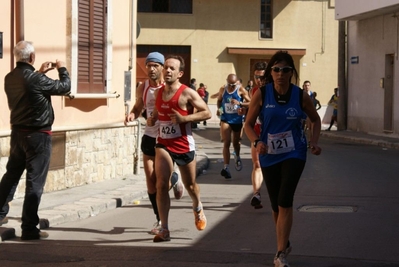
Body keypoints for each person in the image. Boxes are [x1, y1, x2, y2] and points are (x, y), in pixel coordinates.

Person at [244, 50, 322, 267]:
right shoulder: (261, 93)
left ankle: (280, 254)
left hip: (294, 152)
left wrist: (314, 142)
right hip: (269, 153)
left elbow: (315, 120)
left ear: (291, 73)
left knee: (285, 200)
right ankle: (283, 240)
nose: (280, 73)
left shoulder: (300, 95)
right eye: (276, 69)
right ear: (271, 72)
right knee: (277, 206)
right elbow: (248, 125)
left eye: (285, 69)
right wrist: (257, 141)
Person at [0, 40, 71, 240]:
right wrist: (62, 68)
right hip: (38, 135)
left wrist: (39, 72)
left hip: (17, 134)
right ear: (32, 57)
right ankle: (29, 228)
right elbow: (64, 87)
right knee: (35, 182)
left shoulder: (9, 78)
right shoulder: (35, 79)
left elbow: (29, 88)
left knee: (11, 176)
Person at [147, 55, 211, 242]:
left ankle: (197, 206)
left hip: (183, 143)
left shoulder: (187, 93)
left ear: (180, 73)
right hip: (163, 143)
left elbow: (206, 112)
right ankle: (164, 228)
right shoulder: (158, 93)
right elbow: (158, 112)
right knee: (160, 184)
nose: (167, 70)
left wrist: (185, 119)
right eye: (165, 67)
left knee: (191, 185)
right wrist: (153, 119)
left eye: (171, 68)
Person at [124, 52, 184, 235]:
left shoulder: (169, 87)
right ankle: (159, 219)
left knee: (160, 182)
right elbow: (138, 106)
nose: (151, 69)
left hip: (165, 138)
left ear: (162, 67)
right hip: (149, 136)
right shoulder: (143, 87)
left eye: (155, 66)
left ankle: (173, 179)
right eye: (148, 65)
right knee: (150, 182)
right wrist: (132, 114)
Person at [216, 74, 251, 179]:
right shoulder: (223, 89)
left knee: (236, 143)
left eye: (233, 85)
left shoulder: (241, 90)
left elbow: (250, 103)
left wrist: (239, 103)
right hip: (225, 119)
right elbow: (219, 101)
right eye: (229, 84)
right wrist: (220, 109)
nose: (231, 86)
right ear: (226, 81)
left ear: (237, 83)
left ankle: (237, 156)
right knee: (226, 142)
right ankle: (226, 167)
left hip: (237, 120)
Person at [248, 61, 268, 209]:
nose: (259, 80)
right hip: (257, 133)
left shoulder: (274, 90)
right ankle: (256, 194)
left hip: (274, 134)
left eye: (262, 77)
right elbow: (252, 110)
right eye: (256, 77)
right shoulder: (253, 91)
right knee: (257, 164)